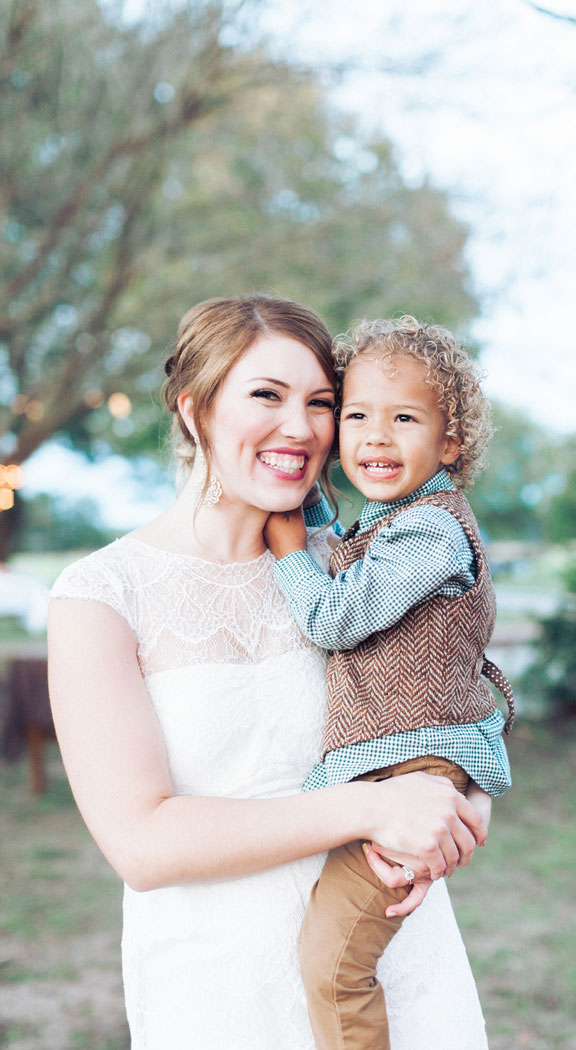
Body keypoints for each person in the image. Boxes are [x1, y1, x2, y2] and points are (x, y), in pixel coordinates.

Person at [47, 295, 492, 1050]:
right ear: (194, 410)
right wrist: (372, 810)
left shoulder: (351, 568)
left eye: (322, 402)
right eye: (266, 396)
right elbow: (141, 844)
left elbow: (452, 681)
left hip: (392, 962)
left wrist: (466, 798)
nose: (302, 427)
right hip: (221, 983)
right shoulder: (100, 595)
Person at [265, 316, 513, 1050]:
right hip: (393, 762)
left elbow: (337, 615)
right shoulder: (392, 520)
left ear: (449, 443)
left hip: (415, 763)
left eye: (404, 418)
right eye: (357, 416)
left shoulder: (431, 531)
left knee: (334, 966)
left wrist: (286, 546)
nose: (375, 436)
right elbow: (344, 550)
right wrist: (305, 499)